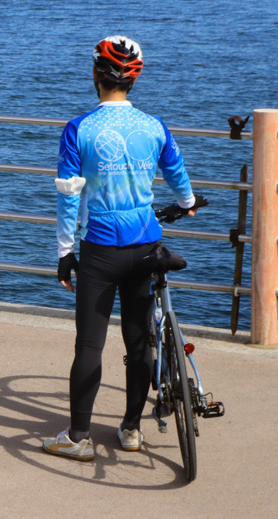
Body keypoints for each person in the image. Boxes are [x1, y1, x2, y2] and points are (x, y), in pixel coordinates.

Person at [42, 35, 195, 461]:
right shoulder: (154, 126)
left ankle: (77, 438)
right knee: (139, 343)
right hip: (147, 244)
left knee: (89, 345)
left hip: (101, 249)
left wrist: (64, 253)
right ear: (133, 80)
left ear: (96, 74)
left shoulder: (80, 130)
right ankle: (130, 430)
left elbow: (69, 197)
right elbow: (177, 172)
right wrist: (186, 203)